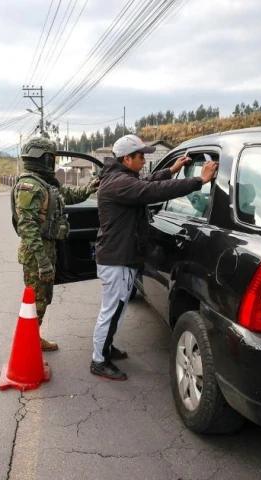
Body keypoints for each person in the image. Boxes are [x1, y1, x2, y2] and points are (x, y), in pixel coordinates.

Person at [90, 134, 217, 380]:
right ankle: (98, 360)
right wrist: (199, 180)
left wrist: (172, 169)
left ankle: (105, 347)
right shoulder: (119, 183)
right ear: (127, 158)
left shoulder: (120, 177)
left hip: (119, 256)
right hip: (117, 259)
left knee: (117, 308)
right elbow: (151, 190)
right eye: (140, 156)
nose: (143, 160)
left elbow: (148, 181)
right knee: (111, 310)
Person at [11, 136, 98, 351]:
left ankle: (33, 337)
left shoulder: (45, 184)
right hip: (36, 253)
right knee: (37, 300)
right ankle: (29, 344)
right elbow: (27, 227)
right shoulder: (29, 187)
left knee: (44, 297)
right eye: (51, 158)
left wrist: (90, 188)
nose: (53, 162)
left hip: (46, 248)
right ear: (42, 158)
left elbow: (67, 195)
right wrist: (41, 260)